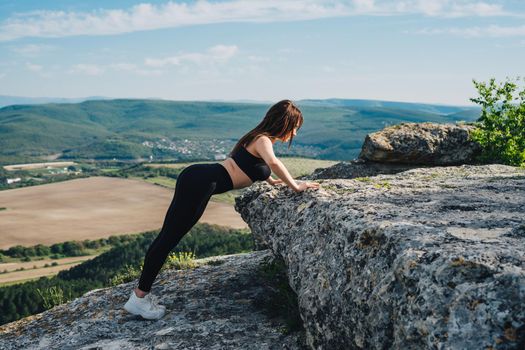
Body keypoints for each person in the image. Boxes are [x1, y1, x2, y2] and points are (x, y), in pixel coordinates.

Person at [123, 99, 320, 319]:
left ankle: (139, 295)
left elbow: (252, 167)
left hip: (197, 177)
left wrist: (273, 182)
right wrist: (296, 186)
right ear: (284, 123)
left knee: (167, 236)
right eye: (294, 127)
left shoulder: (256, 137)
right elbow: (273, 163)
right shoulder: (263, 139)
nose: (294, 133)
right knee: (168, 238)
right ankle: (139, 298)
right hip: (201, 182)